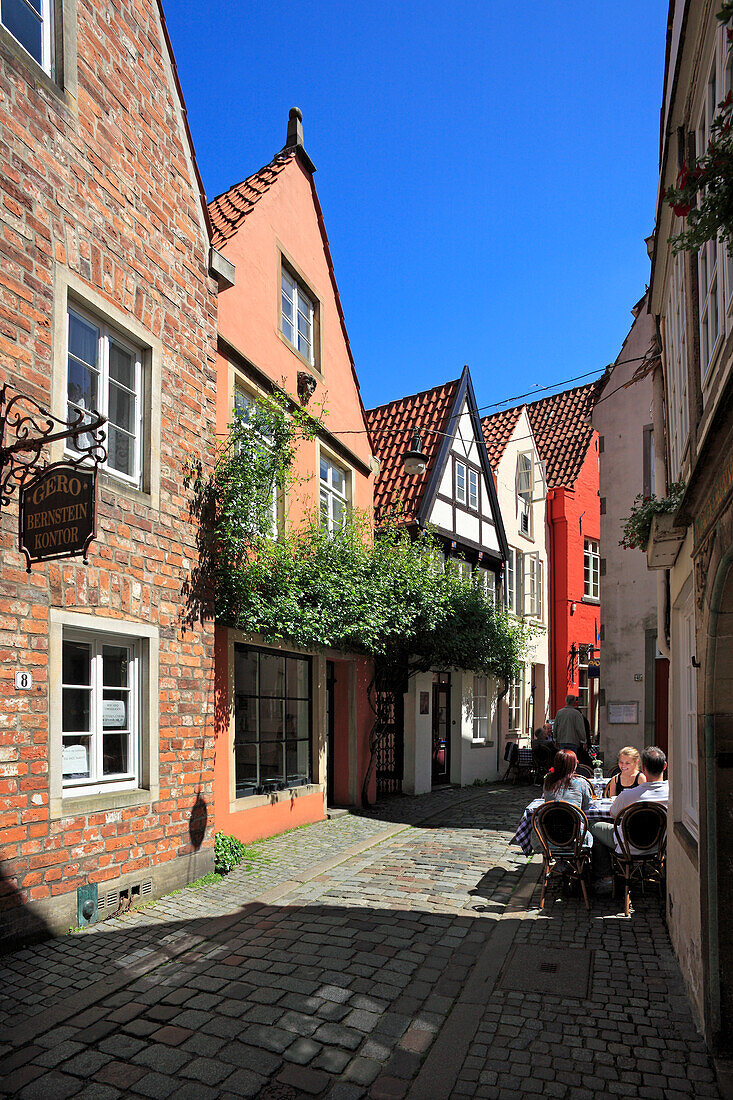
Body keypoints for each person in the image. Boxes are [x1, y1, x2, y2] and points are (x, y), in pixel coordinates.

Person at [591, 746, 668, 884]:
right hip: (659, 844)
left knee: (593, 827)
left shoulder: (627, 795)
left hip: (628, 844)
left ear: (642, 768)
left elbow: (613, 815)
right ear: (665, 766)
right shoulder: (673, 792)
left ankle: (606, 876)